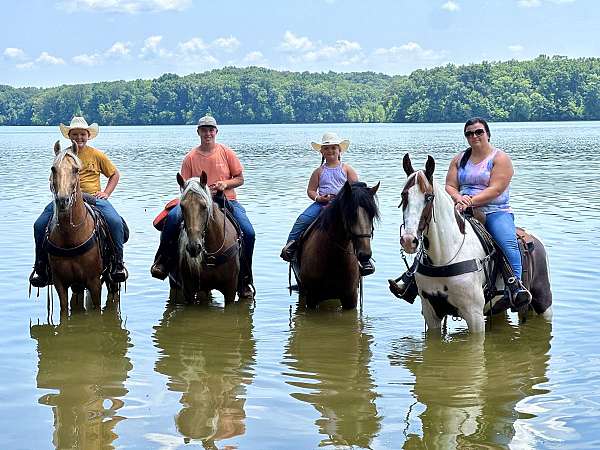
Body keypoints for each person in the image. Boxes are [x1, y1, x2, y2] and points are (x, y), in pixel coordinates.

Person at [389, 117, 531, 310]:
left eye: (479, 132)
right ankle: (412, 279)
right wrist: (459, 199)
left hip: (495, 210)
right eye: (469, 133)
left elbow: (496, 189)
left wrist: (471, 200)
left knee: (506, 242)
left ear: (487, 134)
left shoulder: (500, 158)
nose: (474, 136)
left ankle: (516, 287)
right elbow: (450, 185)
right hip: (462, 208)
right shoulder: (459, 159)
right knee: (435, 237)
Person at [150, 115, 256, 298]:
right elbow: (183, 186)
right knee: (173, 220)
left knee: (249, 232)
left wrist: (225, 184)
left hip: (225, 199)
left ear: (216, 131)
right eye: (204, 130)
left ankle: (244, 278)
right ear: (198, 132)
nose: (208, 133)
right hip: (195, 203)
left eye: (211, 129)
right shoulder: (190, 157)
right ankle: (163, 261)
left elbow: (240, 178)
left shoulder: (226, 152)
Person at [29, 116, 128, 287]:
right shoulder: (62, 156)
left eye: (82, 134)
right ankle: (41, 267)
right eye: (75, 134)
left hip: (94, 198)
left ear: (88, 136)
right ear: (69, 136)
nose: (79, 138)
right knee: (39, 225)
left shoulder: (97, 155)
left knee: (115, 222)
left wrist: (106, 193)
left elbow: (114, 174)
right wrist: (59, 192)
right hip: (65, 199)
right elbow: (52, 179)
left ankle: (118, 264)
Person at [280, 132, 375, 276]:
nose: (330, 151)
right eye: (327, 148)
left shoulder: (347, 169)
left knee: (361, 225)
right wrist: (318, 198)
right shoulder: (318, 171)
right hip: (323, 204)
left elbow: (357, 190)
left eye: (333, 148)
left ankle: (365, 259)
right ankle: (291, 246)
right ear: (322, 152)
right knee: (302, 219)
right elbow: (311, 190)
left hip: (343, 207)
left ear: (339, 150)